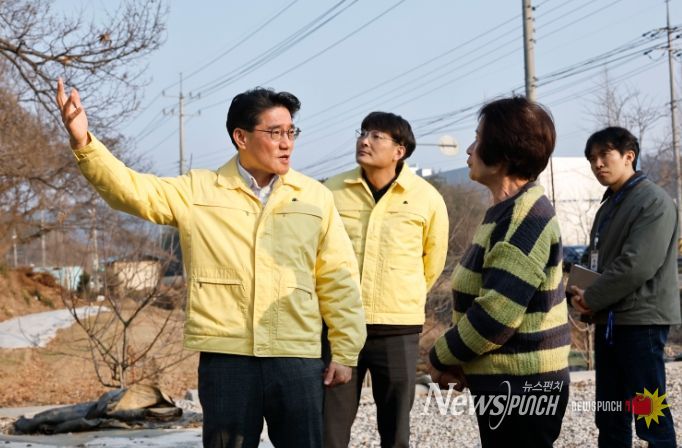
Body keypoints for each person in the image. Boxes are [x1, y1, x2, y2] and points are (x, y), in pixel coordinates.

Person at [55, 79, 366, 448]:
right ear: (241, 137)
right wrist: (84, 142)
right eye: (275, 132)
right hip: (227, 358)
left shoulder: (314, 197)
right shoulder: (199, 191)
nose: (287, 143)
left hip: (296, 356)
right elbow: (132, 190)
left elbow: (338, 276)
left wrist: (345, 350)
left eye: (291, 132)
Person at [428, 97, 570, 447]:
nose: (469, 149)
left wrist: (439, 356)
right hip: (507, 384)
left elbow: (495, 316)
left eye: (478, 139)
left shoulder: (526, 217)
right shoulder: (505, 211)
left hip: (524, 387)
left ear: (504, 152)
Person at [323, 112, 449, 447]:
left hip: (397, 330)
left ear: (399, 151)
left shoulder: (426, 198)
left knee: (395, 432)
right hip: (338, 327)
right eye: (363, 132)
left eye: (376, 136)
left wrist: (402, 294)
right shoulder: (332, 191)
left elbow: (432, 261)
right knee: (328, 430)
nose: (364, 140)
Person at [568, 126, 680, 447]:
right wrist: (579, 293)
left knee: (649, 413)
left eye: (605, 155)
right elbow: (597, 260)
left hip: (641, 323)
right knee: (611, 413)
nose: (597, 164)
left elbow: (636, 264)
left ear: (629, 156)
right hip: (610, 321)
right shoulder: (610, 204)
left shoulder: (652, 201)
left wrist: (592, 296)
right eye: (592, 158)